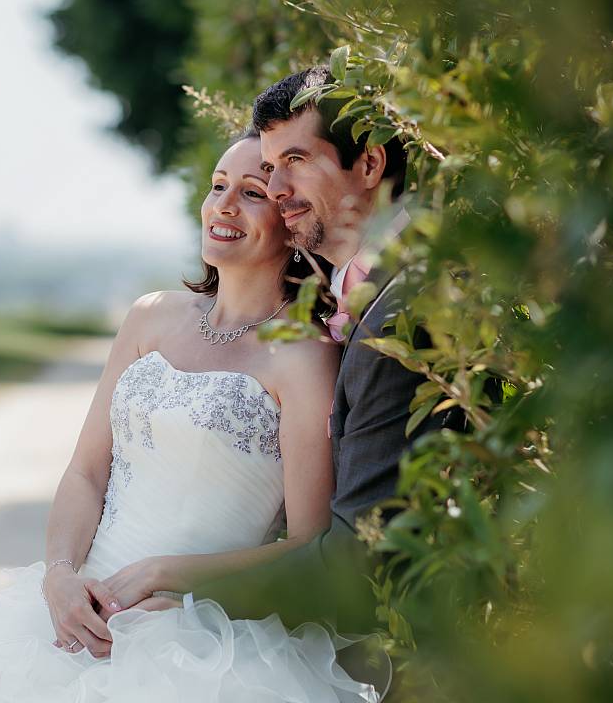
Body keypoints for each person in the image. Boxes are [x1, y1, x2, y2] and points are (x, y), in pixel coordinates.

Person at [0, 133, 381, 702]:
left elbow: (307, 542)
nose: (223, 205)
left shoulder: (304, 357)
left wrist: (173, 577)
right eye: (217, 186)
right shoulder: (149, 317)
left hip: (197, 639)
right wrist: (60, 578)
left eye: (251, 192)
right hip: (75, 613)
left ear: (289, 222)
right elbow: (85, 474)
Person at [113, 66, 457, 641]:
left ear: (369, 164)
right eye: (269, 170)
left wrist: (178, 589)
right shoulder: (372, 300)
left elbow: (356, 559)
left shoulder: (404, 311)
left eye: (294, 161)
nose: (275, 190)